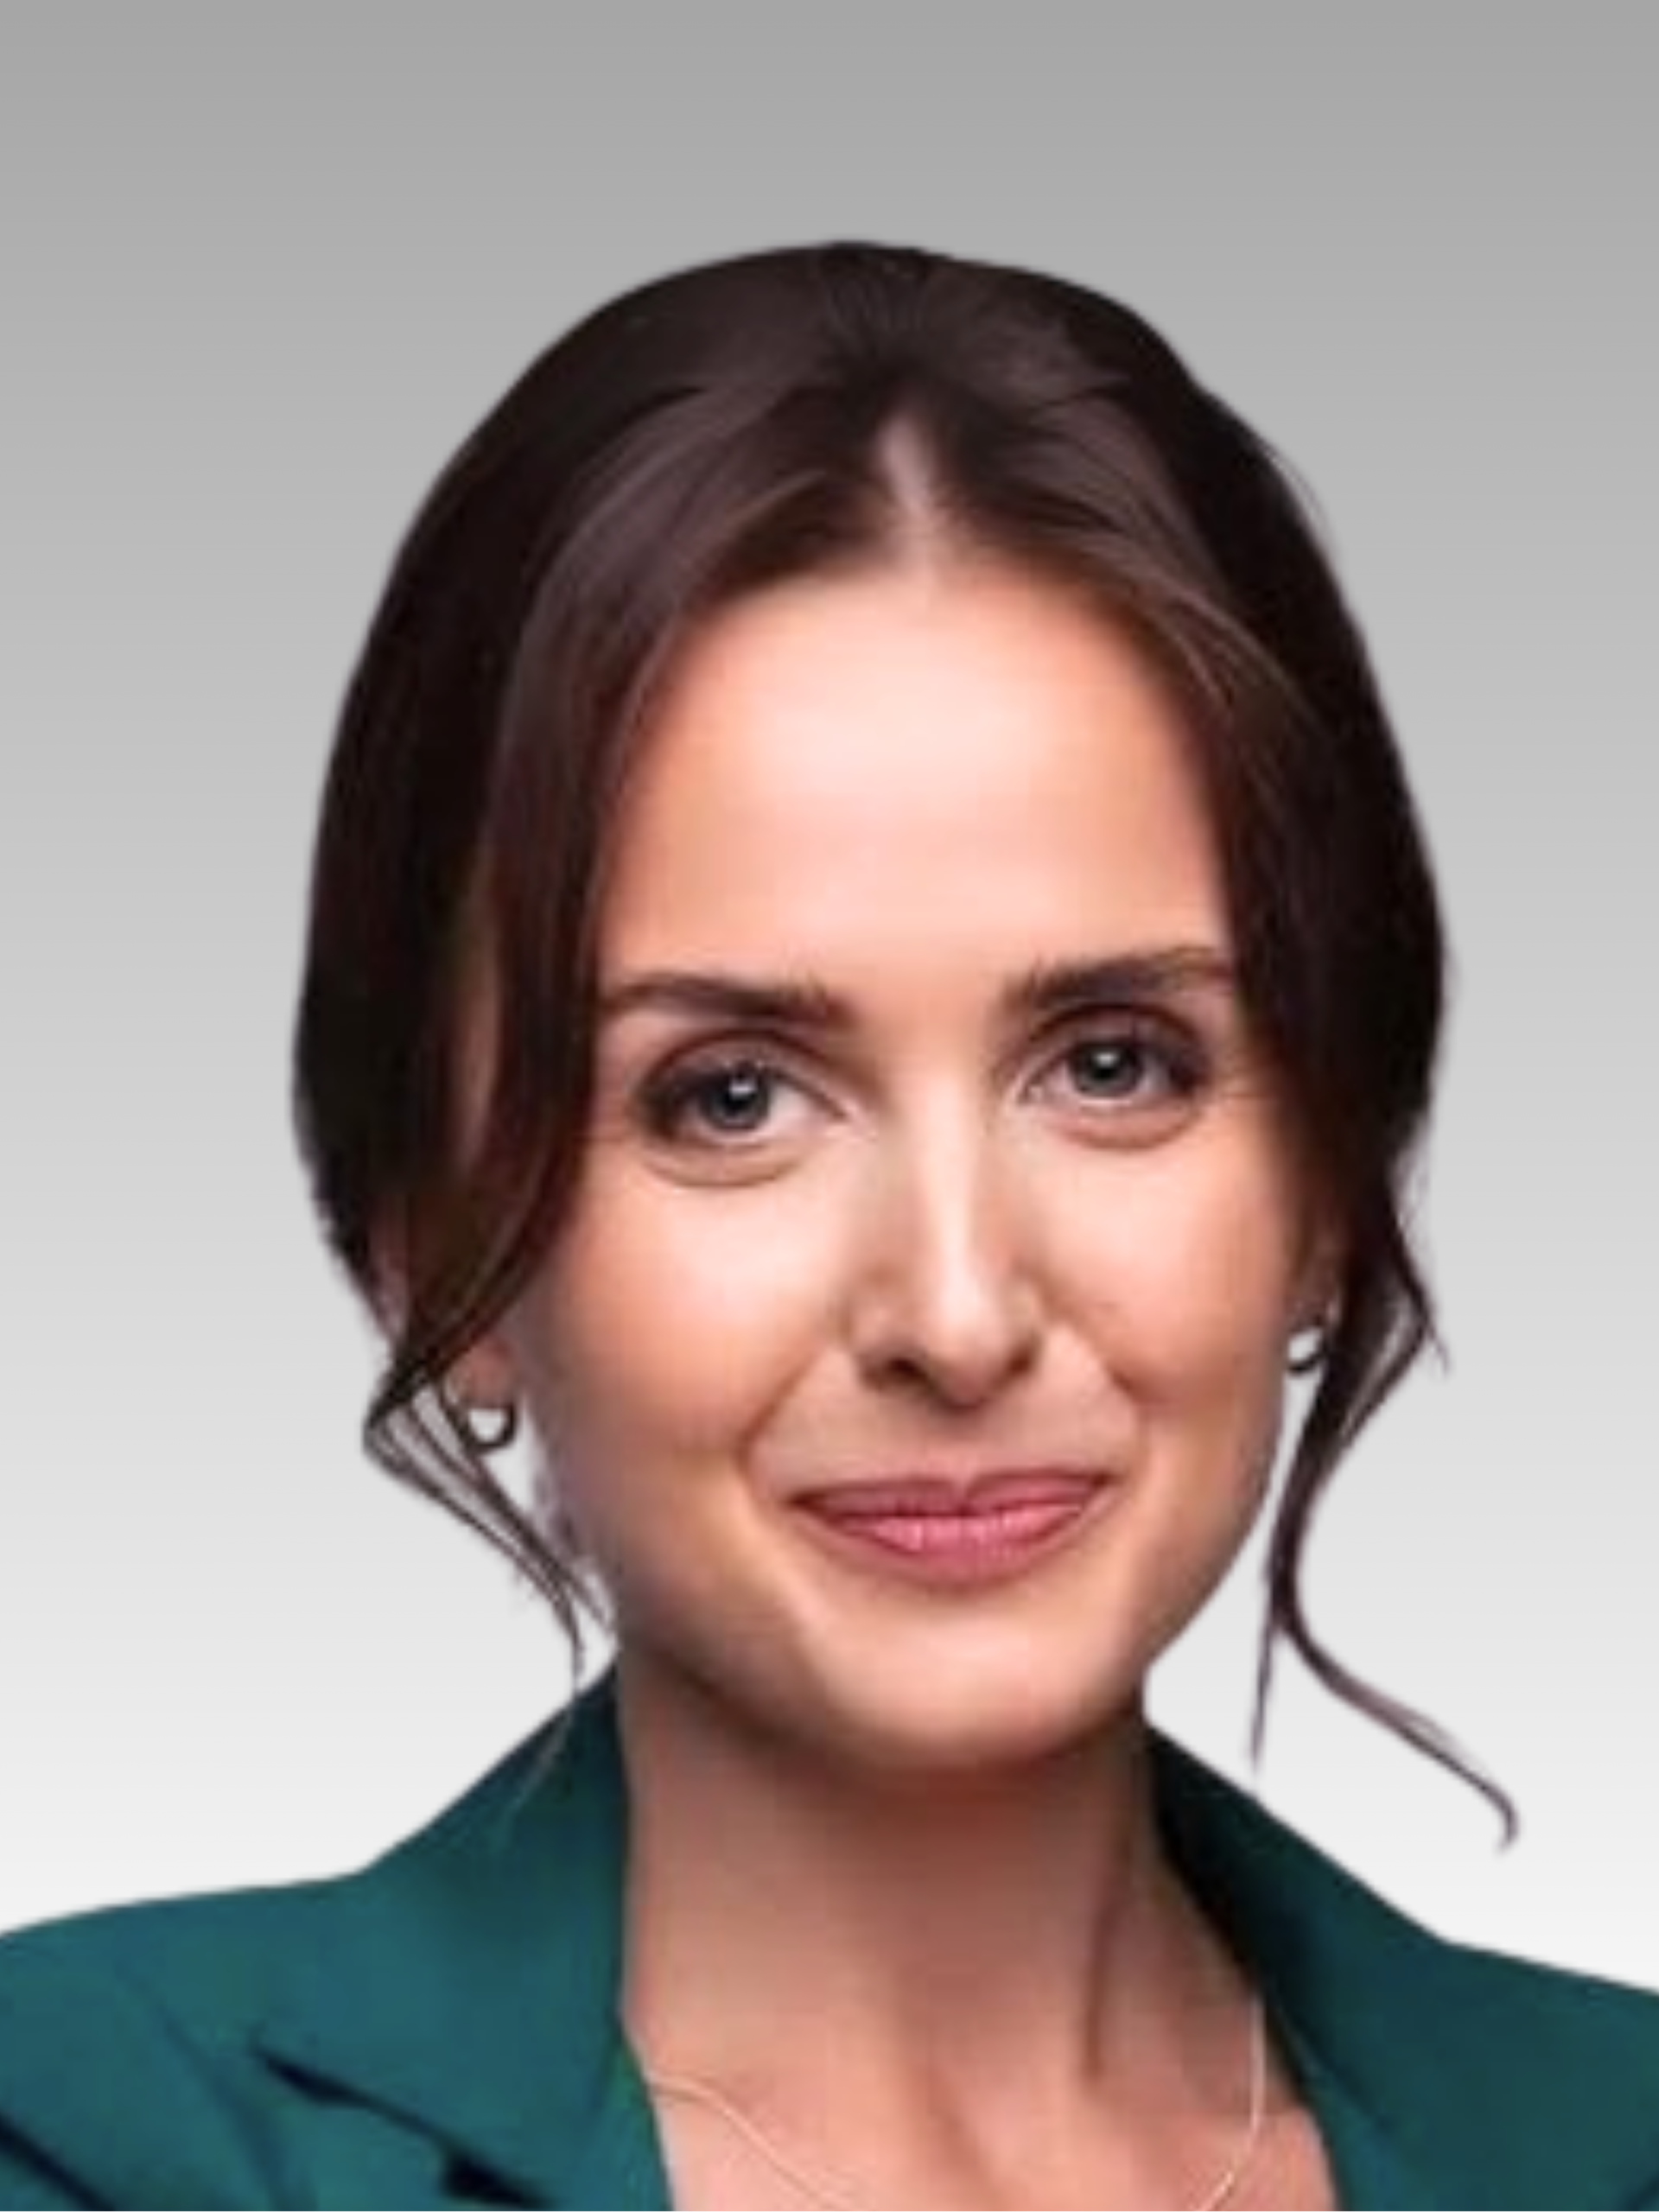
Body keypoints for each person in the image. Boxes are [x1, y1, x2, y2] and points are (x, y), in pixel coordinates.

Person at [1, 242, 1654, 2212]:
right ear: (434, 1246)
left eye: (1113, 1063)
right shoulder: (92, 2143)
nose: (955, 1310)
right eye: (731, 1096)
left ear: (1328, 1178)